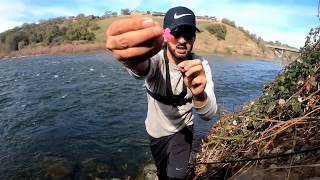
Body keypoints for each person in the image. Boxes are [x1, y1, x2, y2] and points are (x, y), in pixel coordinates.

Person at [106, 6, 217, 180]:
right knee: (162, 173)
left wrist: (199, 93)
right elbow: (141, 69)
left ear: (194, 38)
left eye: (187, 33)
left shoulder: (201, 66)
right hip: (155, 132)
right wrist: (131, 60)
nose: (181, 40)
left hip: (183, 131)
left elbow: (209, 115)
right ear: (166, 35)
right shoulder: (155, 58)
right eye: (175, 33)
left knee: (176, 177)